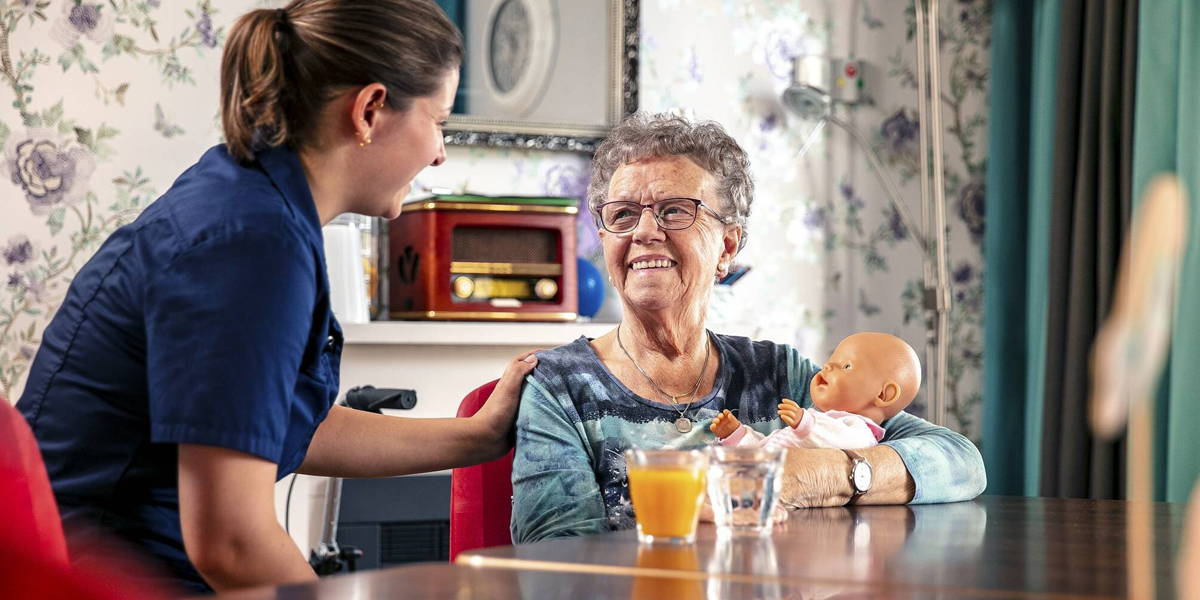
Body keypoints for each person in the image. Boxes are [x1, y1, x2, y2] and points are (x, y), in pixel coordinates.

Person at [16, 1, 537, 593]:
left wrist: (481, 436)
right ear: (369, 110)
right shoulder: (251, 243)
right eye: (439, 120)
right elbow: (232, 544)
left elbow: (282, 424)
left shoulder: (249, 202)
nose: (440, 151)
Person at [509, 113, 986, 544]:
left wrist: (815, 473)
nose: (643, 231)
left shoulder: (780, 375)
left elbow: (959, 461)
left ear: (727, 248)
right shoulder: (559, 386)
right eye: (622, 214)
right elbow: (559, 554)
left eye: (675, 210)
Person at [710, 332, 919, 451]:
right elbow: (763, 456)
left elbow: (843, 441)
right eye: (830, 361)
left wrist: (806, 423)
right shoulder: (816, 425)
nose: (827, 368)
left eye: (846, 366)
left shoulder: (860, 433)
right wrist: (739, 436)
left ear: (884, 395)